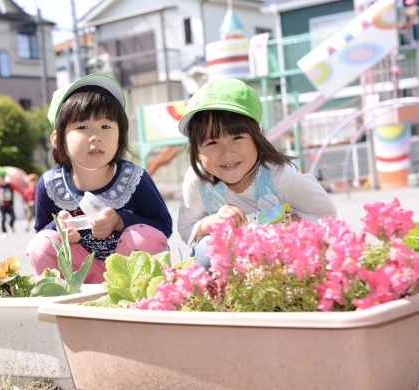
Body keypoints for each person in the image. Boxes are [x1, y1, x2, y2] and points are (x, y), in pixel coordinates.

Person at [25, 74, 173, 283]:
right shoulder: (50, 184)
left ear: (120, 135)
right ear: (58, 140)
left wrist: (121, 222)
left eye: (106, 126)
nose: (96, 136)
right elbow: (41, 232)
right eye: (82, 127)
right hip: (80, 276)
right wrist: (60, 229)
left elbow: (162, 227)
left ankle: (142, 300)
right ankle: (68, 300)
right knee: (43, 244)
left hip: (130, 274)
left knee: (144, 237)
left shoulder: (135, 178)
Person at [177, 79, 337, 268]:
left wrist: (280, 225)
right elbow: (186, 229)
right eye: (212, 142)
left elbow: (326, 216)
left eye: (237, 138)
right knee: (206, 250)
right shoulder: (198, 180)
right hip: (234, 262)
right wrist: (209, 223)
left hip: (280, 256)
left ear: (258, 135)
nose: (227, 152)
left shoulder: (281, 175)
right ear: (195, 148)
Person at [0, 166, 15, 238]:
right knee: (3, 218)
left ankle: (11, 225)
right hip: (2, 206)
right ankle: (4, 231)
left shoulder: (9, 185)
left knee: (13, 217)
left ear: (2, 177)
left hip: (9, 205)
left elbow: (18, 189)